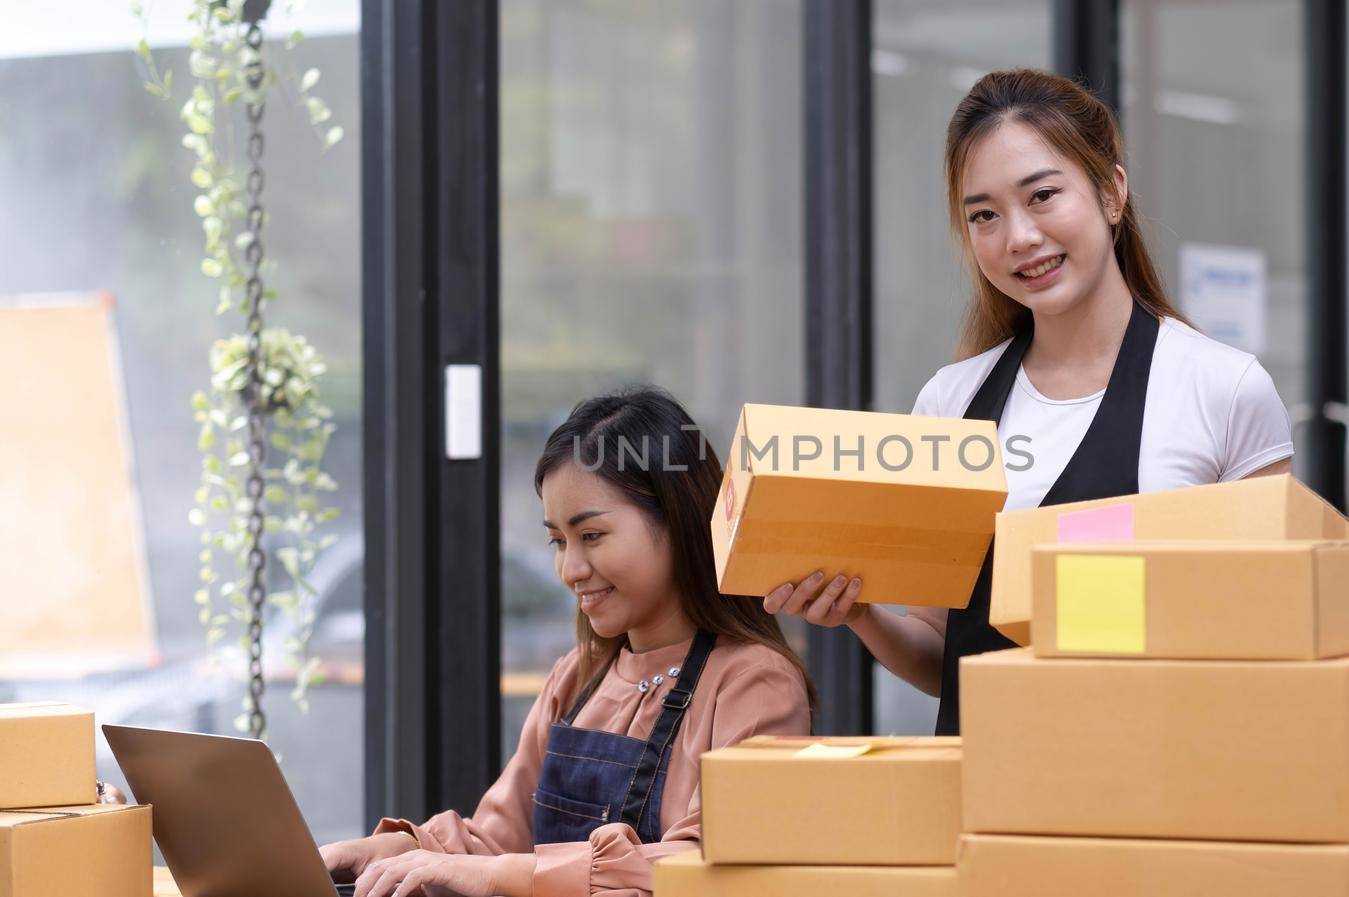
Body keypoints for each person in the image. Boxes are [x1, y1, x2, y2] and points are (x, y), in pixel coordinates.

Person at [765, 68, 1294, 735]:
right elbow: (946, 657)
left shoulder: (1223, 389)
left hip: (1162, 798)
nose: (1017, 236)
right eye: (983, 214)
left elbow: (1273, 640)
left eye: (1042, 195)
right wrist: (862, 614)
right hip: (982, 805)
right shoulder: (949, 404)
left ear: (1111, 193)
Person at [322, 387, 813, 897]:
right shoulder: (576, 677)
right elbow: (495, 842)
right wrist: (396, 851)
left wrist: (494, 873)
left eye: (592, 536)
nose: (569, 570)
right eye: (557, 541)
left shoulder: (756, 683)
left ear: (679, 520)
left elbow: (709, 869)